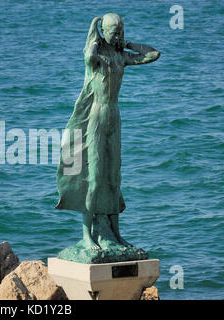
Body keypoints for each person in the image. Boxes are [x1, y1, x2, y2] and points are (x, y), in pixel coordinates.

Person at [56, 13, 160, 251]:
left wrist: (129, 44)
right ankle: (87, 235)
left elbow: (153, 55)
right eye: (114, 32)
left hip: (114, 117)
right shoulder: (98, 56)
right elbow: (89, 56)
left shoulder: (120, 56)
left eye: (120, 32)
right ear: (104, 32)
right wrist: (93, 35)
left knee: (113, 178)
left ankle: (115, 233)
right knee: (93, 178)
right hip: (95, 118)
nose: (118, 36)